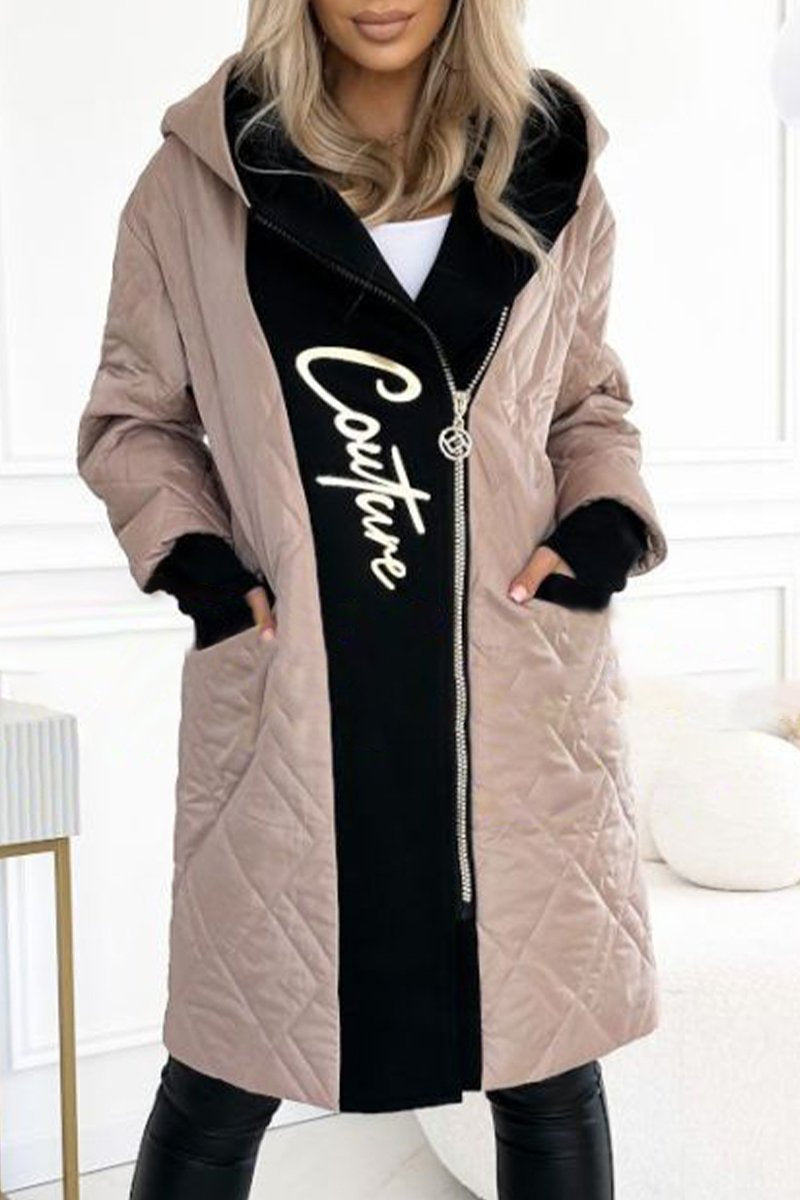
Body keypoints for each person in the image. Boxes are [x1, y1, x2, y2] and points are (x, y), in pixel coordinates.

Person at [76, 2, 669, 1197]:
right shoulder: (202, 179)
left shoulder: (547, 169)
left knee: (546, 1064)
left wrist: (599, 529)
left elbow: (583, 403)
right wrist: (205, 574)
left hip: (508, 690)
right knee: (222, 1067)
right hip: (295, 692)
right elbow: (135, 417)